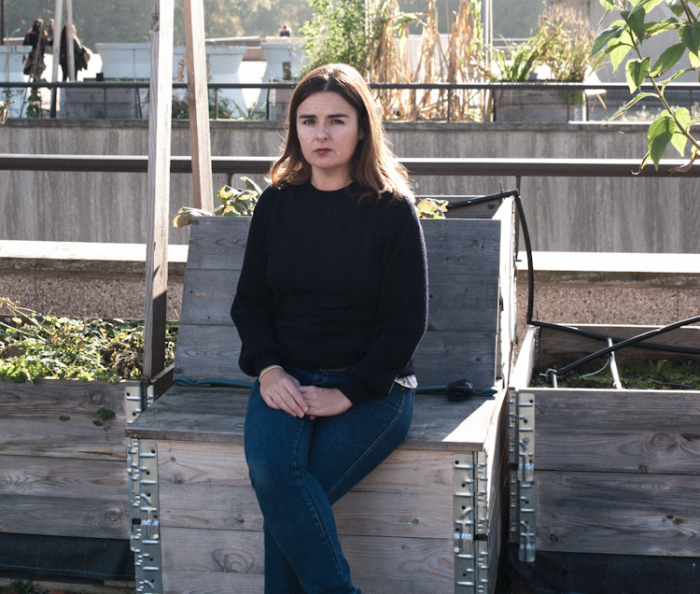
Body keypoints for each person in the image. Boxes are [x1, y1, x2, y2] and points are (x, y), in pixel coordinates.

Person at [230, 63, 428, 593]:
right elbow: (250, 304)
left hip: (374, 388)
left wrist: (350, 390)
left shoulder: (391, 210)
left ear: (362, 127)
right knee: (278, 479)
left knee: (290, 500)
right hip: (286, 379)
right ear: (294, 129)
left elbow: (406, 323)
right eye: (308, 120)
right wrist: (270, 371)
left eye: (337, 120)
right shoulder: (277, 204)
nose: (321, 133)